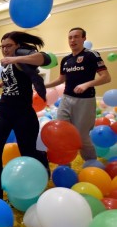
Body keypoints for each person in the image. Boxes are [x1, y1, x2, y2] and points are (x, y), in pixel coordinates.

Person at [0, 31, 51, 199]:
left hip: (23, 113)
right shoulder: (8, 63)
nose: (5, 50)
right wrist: (0, 85)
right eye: (2, 46)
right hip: (4, 110)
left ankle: (35, 177)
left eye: (9, 46)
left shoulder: (22, 56)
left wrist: (15, 58)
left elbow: (45, 58)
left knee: (28, 153)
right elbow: (15, 79)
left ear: (18, 46)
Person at [45, 27, 111, 162]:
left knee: (81, 136)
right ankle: (64, 163)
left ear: (83, 38)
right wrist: (43, 86)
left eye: (76, 37)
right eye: (70, 37)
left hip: (85, 101)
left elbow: (106, 77)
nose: (73, 40)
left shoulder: (92, 55)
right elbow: (61, 79)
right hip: (66, 99)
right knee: (61, 131)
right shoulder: (66, 60)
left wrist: (86, 84)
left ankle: (91, 163)